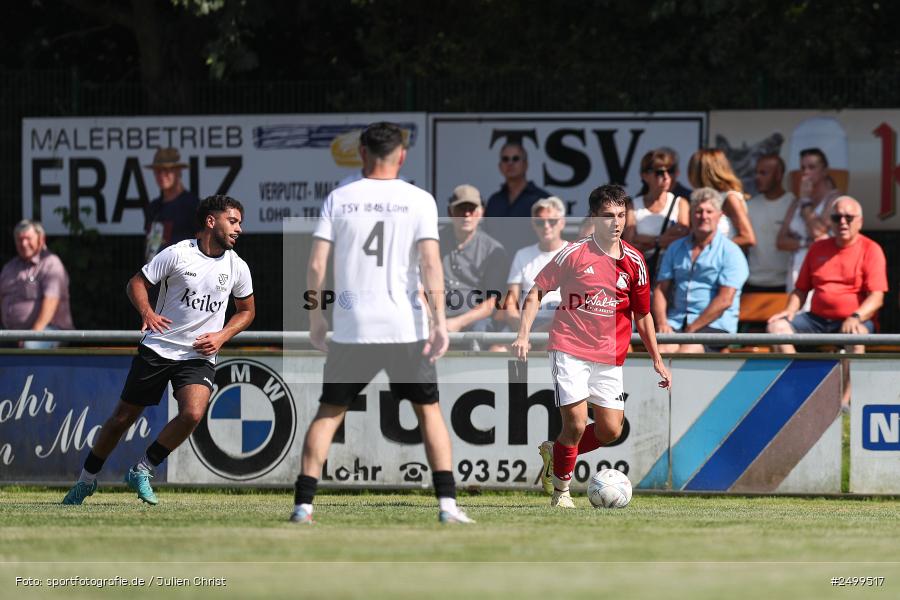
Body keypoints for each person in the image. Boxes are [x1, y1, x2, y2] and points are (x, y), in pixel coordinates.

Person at [292, 122, 473, 525]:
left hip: (354, 326)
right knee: (429, 412)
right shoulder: (419, 200)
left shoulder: (340, 198)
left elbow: (316, 264)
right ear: (402, 155)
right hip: (404, 327)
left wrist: (315, 317)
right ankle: (447, 506)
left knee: (329, 413)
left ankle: (303, 506)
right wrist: (440, 321)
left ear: (361, 152)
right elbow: (429, 265)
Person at [62, 195, 255, 506]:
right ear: (211, 221)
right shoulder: (178, 254)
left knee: (192, 413)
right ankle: (86, 479)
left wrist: (222, 336)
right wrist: (147, 312)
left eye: (239, 223)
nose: (239, 229)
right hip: (160, 348)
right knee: (122, 419)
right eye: (233, 221)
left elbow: (246, 311)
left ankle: (143, 469)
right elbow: (136, 283)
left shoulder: (237, 266)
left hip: (198, 354)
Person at [512, 184, 671, 509]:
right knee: (574, 423)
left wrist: (657, 358)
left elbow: (643, 314)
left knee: (611, 430)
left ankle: (554, 454)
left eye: (621, 215)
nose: (616, 222)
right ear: (594, 218)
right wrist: (523, 333)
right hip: (569, 349)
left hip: (610, 357)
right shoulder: (574, 253)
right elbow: (536, 292)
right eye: (608, 216)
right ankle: (562, 494)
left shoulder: (636, 262)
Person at [767, 196, 887, 408]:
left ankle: (843, 405)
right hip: (817, 319)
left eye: (848, 217)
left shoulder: (871, 249)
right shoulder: (818, 248)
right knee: (776, 328)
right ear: (830, 221)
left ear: (860, 221)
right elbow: (801, 289)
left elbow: (877, 296)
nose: (842, 222)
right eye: (836, 216)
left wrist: (856, 316)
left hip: (854, 320)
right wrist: (789, 311)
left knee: (857, 336)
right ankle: (801, 392)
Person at [651, 188, 749, 353]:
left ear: (719, 215)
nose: (704, 216)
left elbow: (725, 299)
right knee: (661, 350)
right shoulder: (675, 248)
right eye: (698, 211)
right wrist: (662, 323)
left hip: (715, 326)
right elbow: (660, 289)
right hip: (676, 322)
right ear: (690, 215)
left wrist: (693, 328)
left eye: (709, 211)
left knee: (688, 350)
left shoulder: (731, 251)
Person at [440, 184, 509, 341]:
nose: (466, 215)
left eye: (471, 209)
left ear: (481, 212)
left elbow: (493, 302)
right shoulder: (435, 242)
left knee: (481, 331)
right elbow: (421, 287)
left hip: (474, 320)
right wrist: (432, 319)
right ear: (450, 212)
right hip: (436, 316)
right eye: (460, 209)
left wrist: (457, 322)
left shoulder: (493, 250)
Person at [0, 220, 74, 349]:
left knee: (31, 345)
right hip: (11, 333)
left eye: (28, 239)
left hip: (49, 330)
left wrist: (33, 334)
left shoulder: (51, 264)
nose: (23, 244)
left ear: (41, 239)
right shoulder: (9, 267)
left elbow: (51, 303)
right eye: (19, 240)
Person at [776, 147, 842, 291]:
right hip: (796, 273)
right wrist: (805, 242)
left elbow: (817, 232)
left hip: (821, 272)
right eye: (803, 168)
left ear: (824, 171)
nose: (806, 172)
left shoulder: (834, 199)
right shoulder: (796, 202)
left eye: (811, 167)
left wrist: (806, 202)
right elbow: (780, 241)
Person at [502, 196, 569, 334]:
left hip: (560, 326)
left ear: (562, 223)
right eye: (540, 222)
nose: (546, 226)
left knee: (549, 350)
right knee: (497, 350)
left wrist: (535, 335)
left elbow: (573, 306)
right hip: (523, 324)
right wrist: (522, 332)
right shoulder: (522, 254)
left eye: (552, 221)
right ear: (533, 225)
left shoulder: (573, 253)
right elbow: (510, 303)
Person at [623, 149, 690, 280]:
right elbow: (629, 243)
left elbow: (682, 238)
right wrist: (660, 240)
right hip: (642, 270)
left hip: (673, 270)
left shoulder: (680, 203)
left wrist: (641, 238)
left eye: (670, 171)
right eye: (659, 172)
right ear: (644, 175)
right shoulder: (633, 205)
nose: (666, 176)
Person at [483, 142, 551, 255]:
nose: (510, 163)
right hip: (497, 268)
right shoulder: (494, 201)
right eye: (505, 159)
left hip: (531, 267)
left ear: (525, 164)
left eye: (515, 158)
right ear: (500, 166)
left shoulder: (542, 200)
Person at [687, 149, 757, 250]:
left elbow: (748, 238)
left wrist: (711, 248)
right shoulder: (700, 199)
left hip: (724, 263)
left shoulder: (730, 198)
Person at [746, 154, 795, 292]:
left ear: (779, 175)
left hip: (785, 284)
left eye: (763, 173)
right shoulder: (749, 206)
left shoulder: (793, 205)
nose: (757, 177)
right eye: (756, 172)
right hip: (752, 283)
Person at [144, 147, 201, 262]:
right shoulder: (153, 207)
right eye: (158, 171)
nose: (162, 175)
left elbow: (204, 243)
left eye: (167, 170)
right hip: (154, 275)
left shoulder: (193, 205)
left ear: (178, 172)